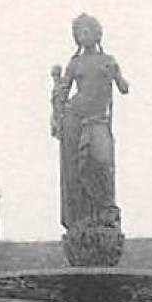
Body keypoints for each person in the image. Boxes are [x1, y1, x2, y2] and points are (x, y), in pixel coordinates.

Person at [51, 14, 129, 233]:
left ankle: (105, 215)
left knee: (102, 164)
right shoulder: (75, 63)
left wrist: (116, 75)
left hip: (98, 120)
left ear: (97, 33)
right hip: (74, 118)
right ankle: (82, 219)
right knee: (76, 170)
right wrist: (57, 113)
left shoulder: (108, 60)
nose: (83, 35)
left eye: (87, 30)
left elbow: (124, 88)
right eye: (79, 32)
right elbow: (63, 92)